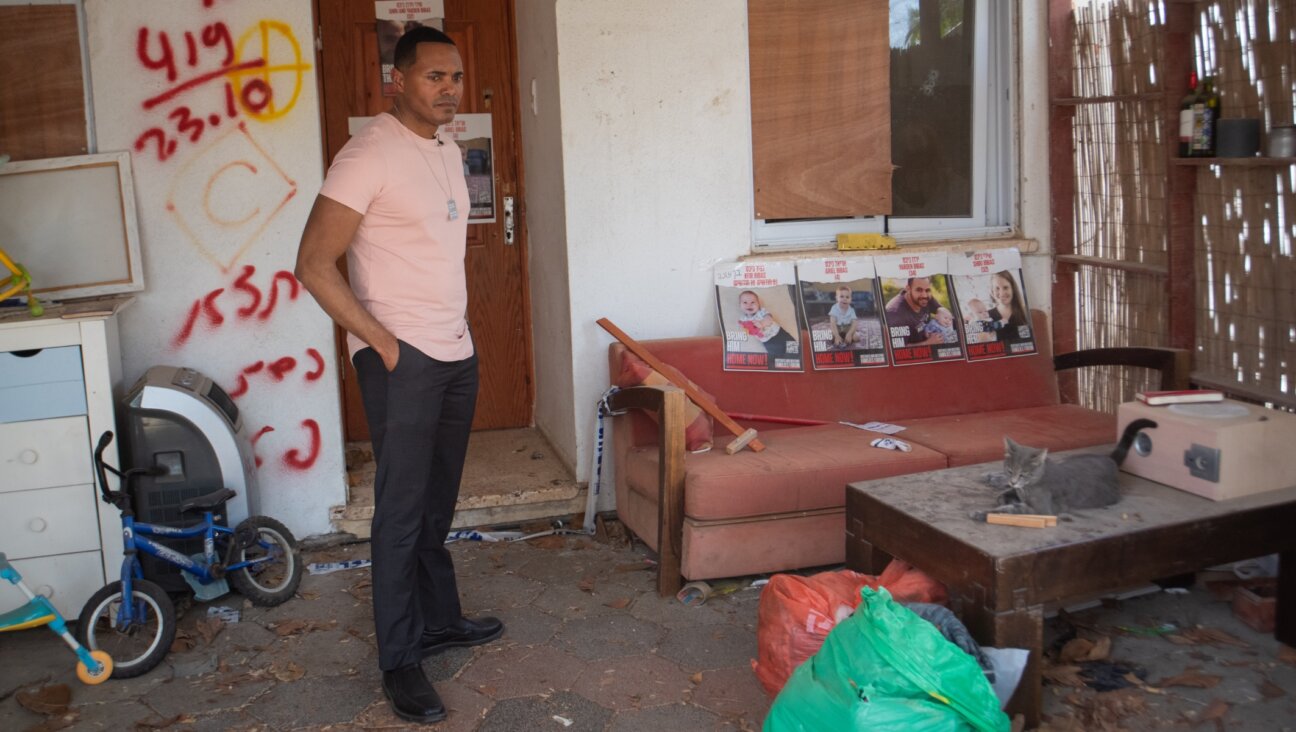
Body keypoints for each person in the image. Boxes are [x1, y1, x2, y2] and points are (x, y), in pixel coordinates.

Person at [294, 27, 502, 725]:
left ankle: (440, 621)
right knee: (401, 510)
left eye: (456, 76)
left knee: (436, 504)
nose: (449, 88)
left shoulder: (445, 149)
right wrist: (381, 342)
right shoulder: (367, 154)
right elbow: (313, 264)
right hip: (401, 360)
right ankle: (400, 659)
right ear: (398, 80)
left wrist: (455, 338)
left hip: (454, 351)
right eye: (434, 77)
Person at [736, 290, 796, 360]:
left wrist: (761, 323)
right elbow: (747, 330)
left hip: (779, 333)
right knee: (776, 357)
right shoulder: (743, 319)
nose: (749, 305)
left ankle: (797, 360)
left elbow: (769, 319)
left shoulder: (761, 311)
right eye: (745, 302)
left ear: (758, 304)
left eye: (753, 302)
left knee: (794, 348)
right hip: (768, 341)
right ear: (740, 305)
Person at [883, 277, 943, 346]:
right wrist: (928, 343)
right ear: (908, 289)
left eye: (927, 290)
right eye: (919, 290)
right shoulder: (895, 313)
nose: (924, 295)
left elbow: (940, 308)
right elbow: (898, 348)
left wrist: (941, 310)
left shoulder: (925, 297)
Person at [988, 271, 1029, 341]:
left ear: (1013, 289)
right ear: (992, 292)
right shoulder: (986, 316)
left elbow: (1026, 341)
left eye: (1005, 287)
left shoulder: (1025, 312)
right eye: (997, 288)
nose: (1002, 293)